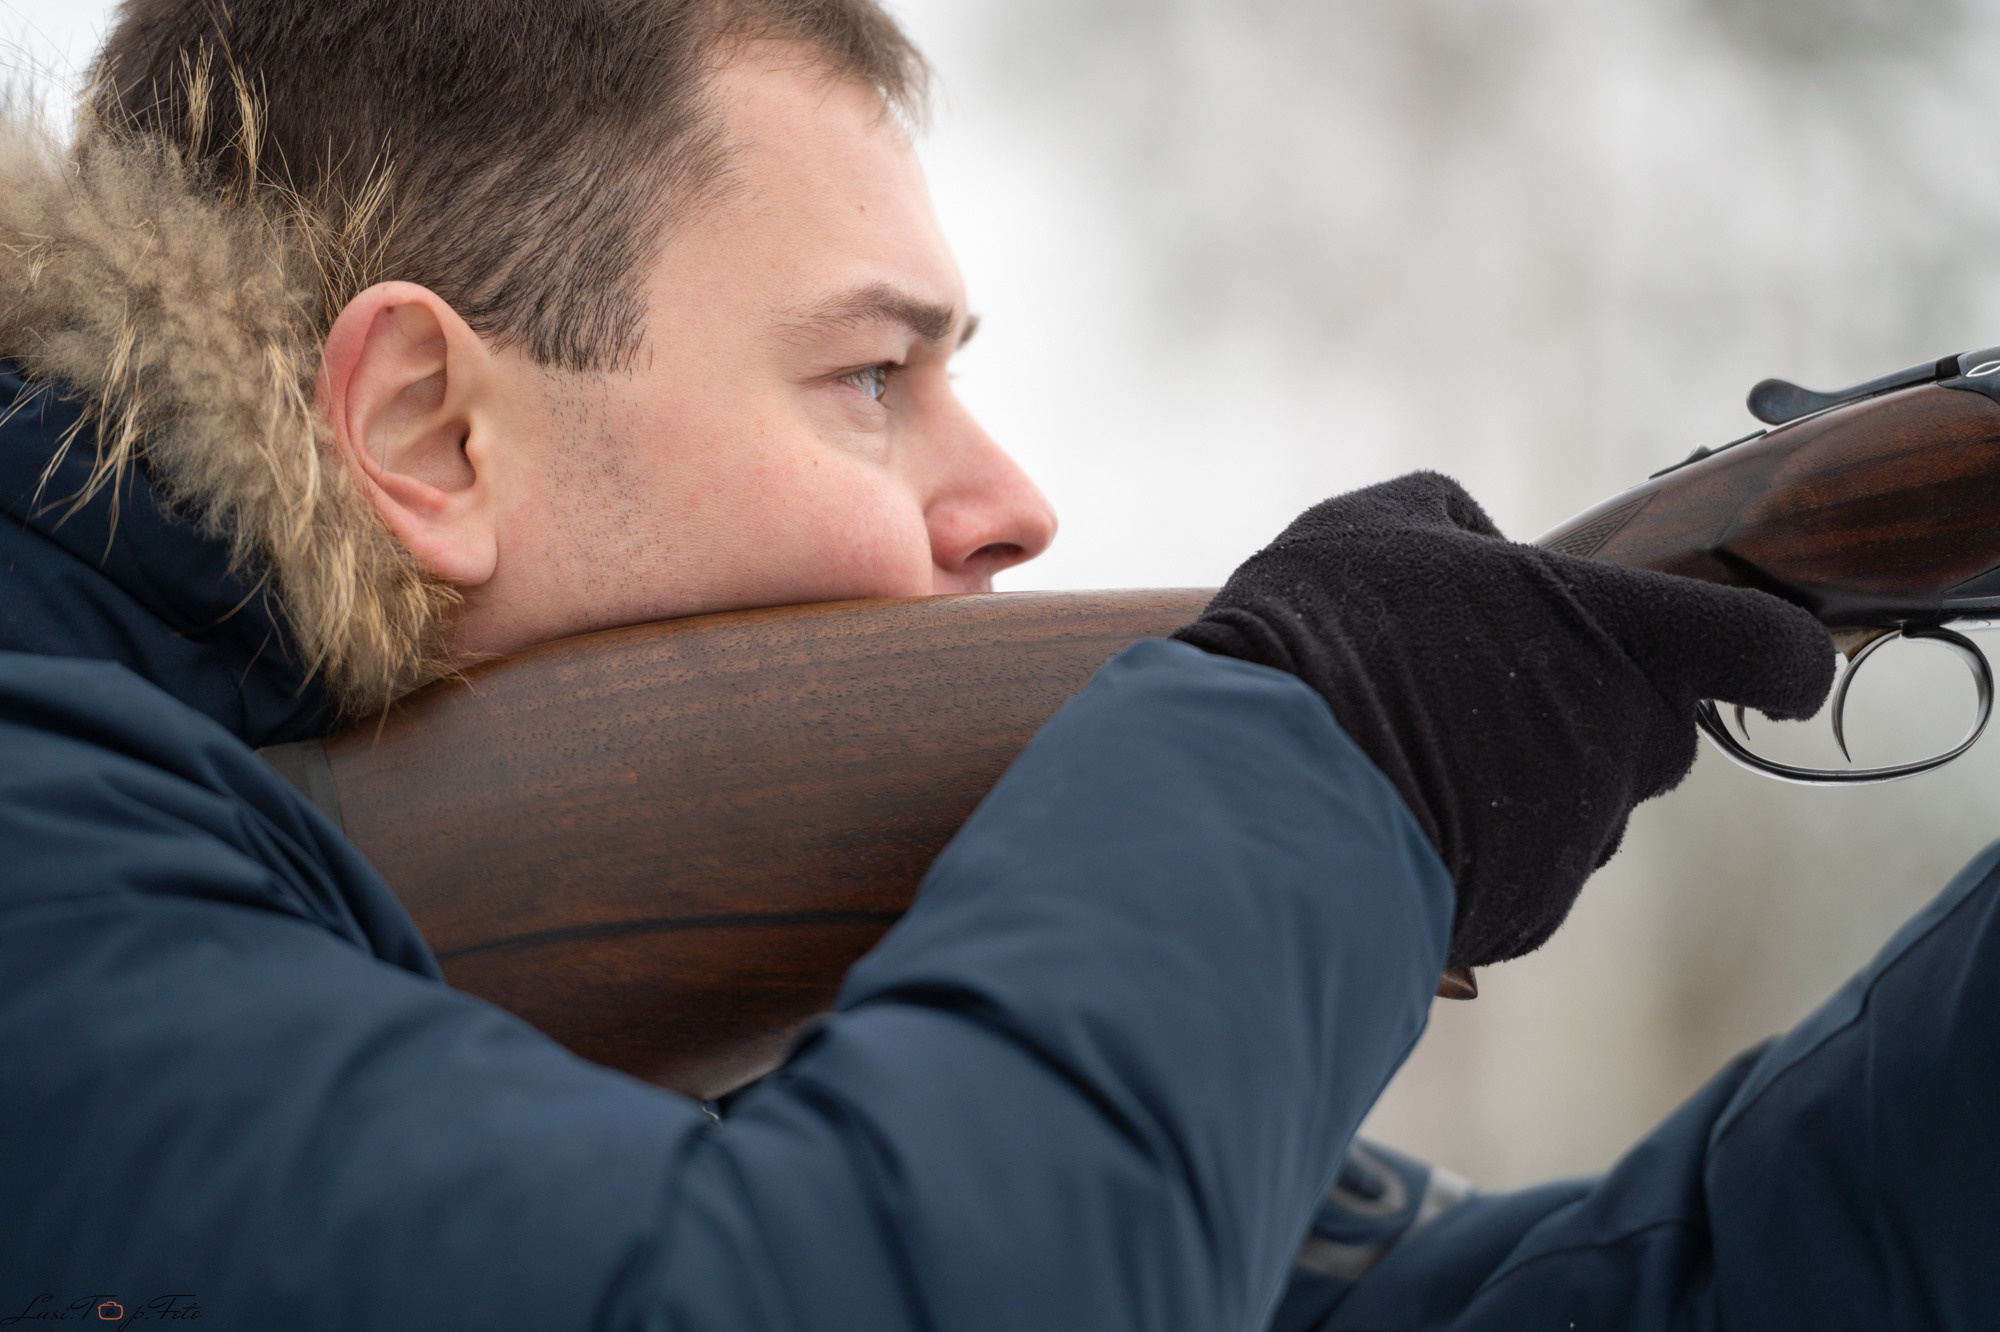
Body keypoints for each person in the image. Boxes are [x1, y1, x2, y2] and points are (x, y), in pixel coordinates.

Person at [0, 1, 1990, 1328]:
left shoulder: (663, 1017)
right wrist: (1331, 760)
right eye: (874, 373)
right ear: (428, 430)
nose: (1014, 501)